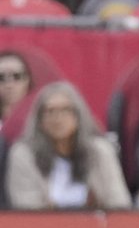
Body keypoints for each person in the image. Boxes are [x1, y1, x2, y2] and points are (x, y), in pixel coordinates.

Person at [6, 81, 132, 210]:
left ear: (78, 115)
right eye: (49, 111)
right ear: (39, 119)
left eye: (65, 110)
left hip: (97, 227)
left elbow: (120, 204)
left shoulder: (101, 151)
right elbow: (26, 209)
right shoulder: (24, 155)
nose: (57, 118)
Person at [0, 50, 34, 134]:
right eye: (1, 77)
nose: (9, 84)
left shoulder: (40, 121)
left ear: (27, 80)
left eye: (17, 76)